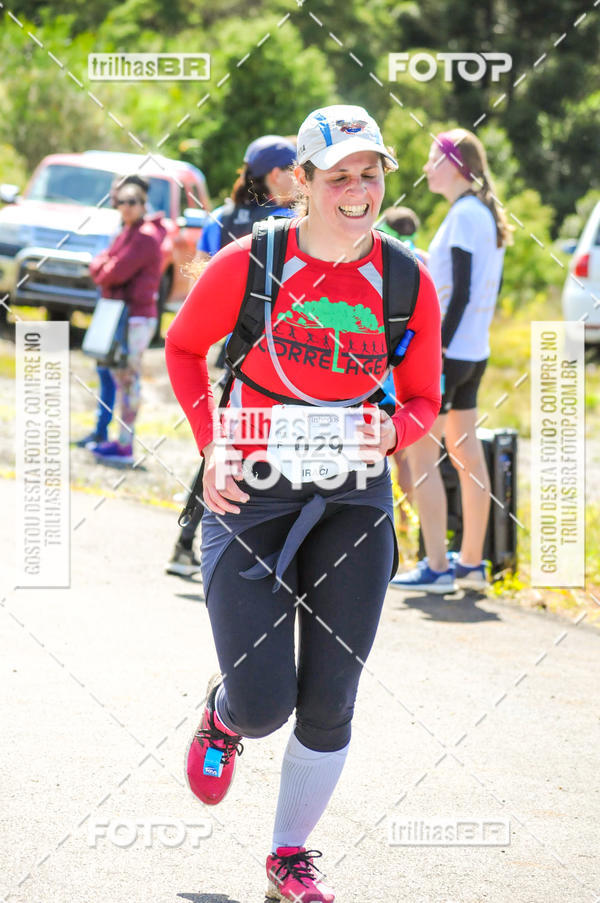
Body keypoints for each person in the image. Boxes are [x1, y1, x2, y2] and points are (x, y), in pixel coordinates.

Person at [165, 104, 442, 901]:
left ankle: (289, 854)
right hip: (250, 486)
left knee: (331, 701)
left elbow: (423, 397)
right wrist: (212, 441)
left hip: (354, 497)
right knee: (263, 706)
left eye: (372, 172)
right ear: (305, 185)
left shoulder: (403, 278)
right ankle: (225, 716)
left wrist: (391, 432)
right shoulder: (255, 262)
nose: (359, 189)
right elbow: (185, 349)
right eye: (341, 175)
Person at [166, 135, 297, 577]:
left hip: (231, 351)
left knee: (223, 444)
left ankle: (188, 542)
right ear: (277, 176)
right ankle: (239, 548)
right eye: (296, 170)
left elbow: (199, 285)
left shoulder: (220, 217)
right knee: (256, 449)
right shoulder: (287, 223)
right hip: (279, 357)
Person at [391, 129, 511, 593]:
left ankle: (437, 567)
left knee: (422, 456)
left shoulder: (463, 215)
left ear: (455, 164)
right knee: (466, 455)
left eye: (431, 160)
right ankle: (472, 565)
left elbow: (457, 291)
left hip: (448, 352)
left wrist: (434, 350)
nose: (425, 168)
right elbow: (481, 288)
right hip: (474, 352)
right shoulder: (482, 213)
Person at [88, 175, 165, 463]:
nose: (127, 207)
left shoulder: (144, 236)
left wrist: (103, 267)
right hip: (124, 316)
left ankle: (125, 445)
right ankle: (119, 441)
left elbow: (112, 271)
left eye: (133, 202)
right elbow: (101, 263)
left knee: (129, 380)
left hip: (136, 318)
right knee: (120, 378)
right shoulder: (128, 232)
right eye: (122, 202)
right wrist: (103, 266)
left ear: (144, 204)